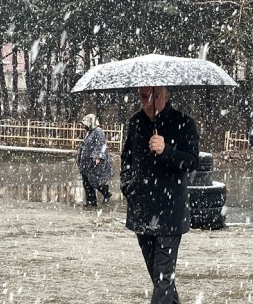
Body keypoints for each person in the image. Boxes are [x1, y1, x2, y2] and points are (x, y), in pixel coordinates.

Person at [120, 86, 199, 304]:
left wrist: (166, 150)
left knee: (163, 275)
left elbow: (192, 162)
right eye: (144, 97)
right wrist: (129, 188)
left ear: (166, 96)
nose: (148, 102)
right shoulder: (135, 123)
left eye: (154, 96)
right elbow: (126, 159)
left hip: (170, 212)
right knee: (158, 276)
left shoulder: (184, 123)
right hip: (141, 210)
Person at [77, 113, 113, 207]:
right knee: (87, 183)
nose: (84, 126)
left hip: (94, 162)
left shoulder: (98, 131)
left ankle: (106, 193)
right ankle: (91, 202)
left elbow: (101, 144)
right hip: (86, 163)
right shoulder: (89, 132)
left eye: (85, 123)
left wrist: (97, 156)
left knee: (96, 181)